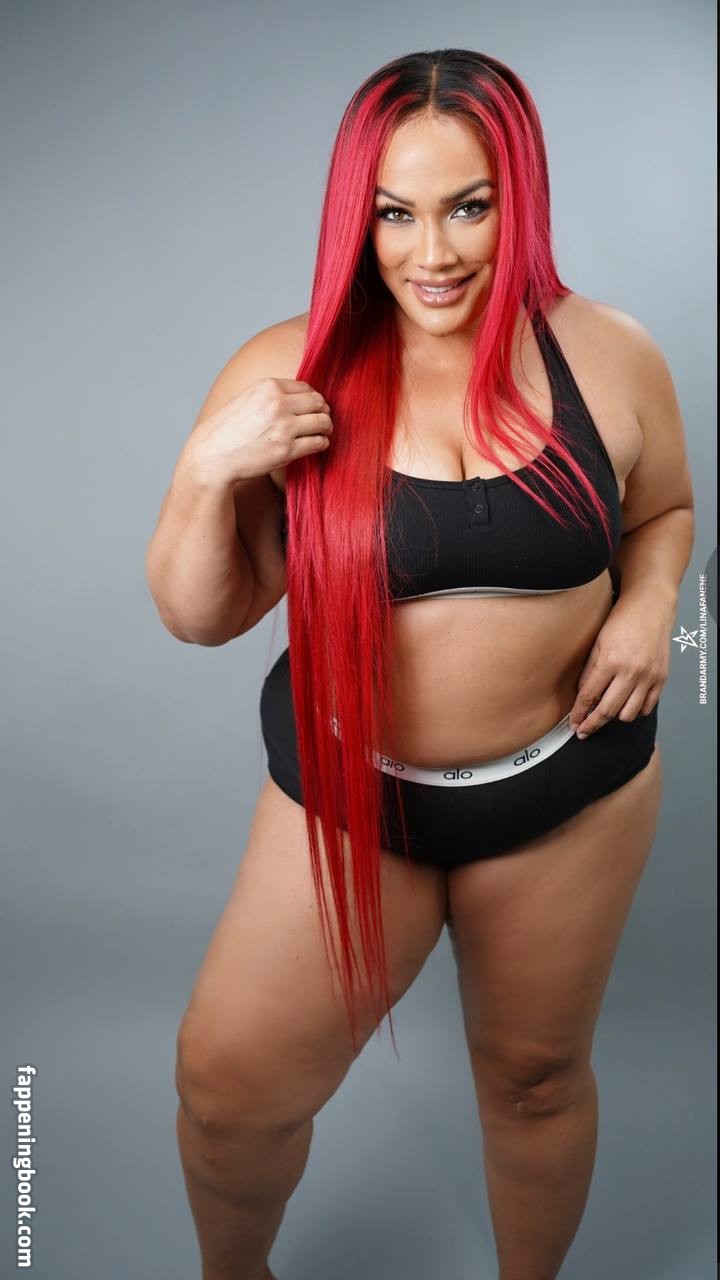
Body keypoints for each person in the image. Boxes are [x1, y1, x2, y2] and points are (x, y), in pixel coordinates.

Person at [145, 48, 694, 1280]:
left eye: (469, 206)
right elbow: (199, 614)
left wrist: (659, 608)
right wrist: (204, 470)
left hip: (569, 793)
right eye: (396, 213)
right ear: (359, 214)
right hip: (356, 796)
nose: (431, 253)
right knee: (228, 1091)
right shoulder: (290, 371)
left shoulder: (612, 355)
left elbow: (668, 510)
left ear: (521, 196)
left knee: (537, 1077)